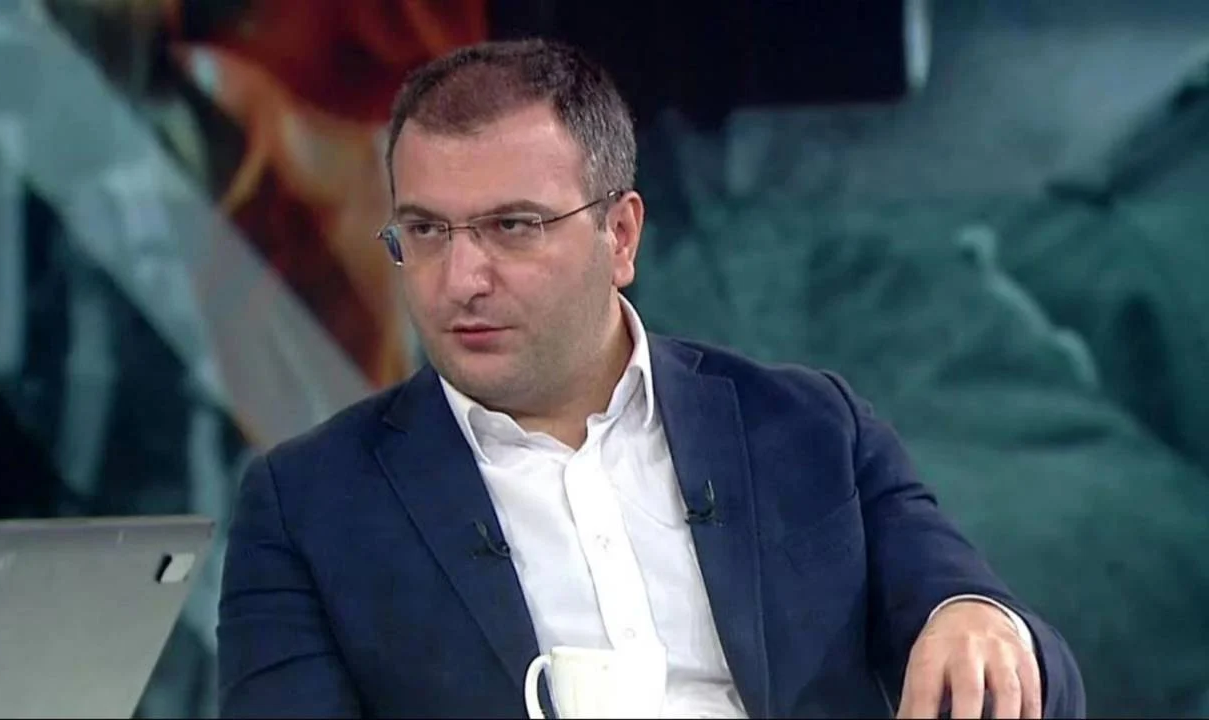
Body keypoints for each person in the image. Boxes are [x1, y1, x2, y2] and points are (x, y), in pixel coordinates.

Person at [216, 38, 1086, 718]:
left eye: (513, 226)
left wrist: (979, 622)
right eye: (426, 232)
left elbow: (1016, 654)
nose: (461, 280)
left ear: (621, 236)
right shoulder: (308, 505)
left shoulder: (809, 427)